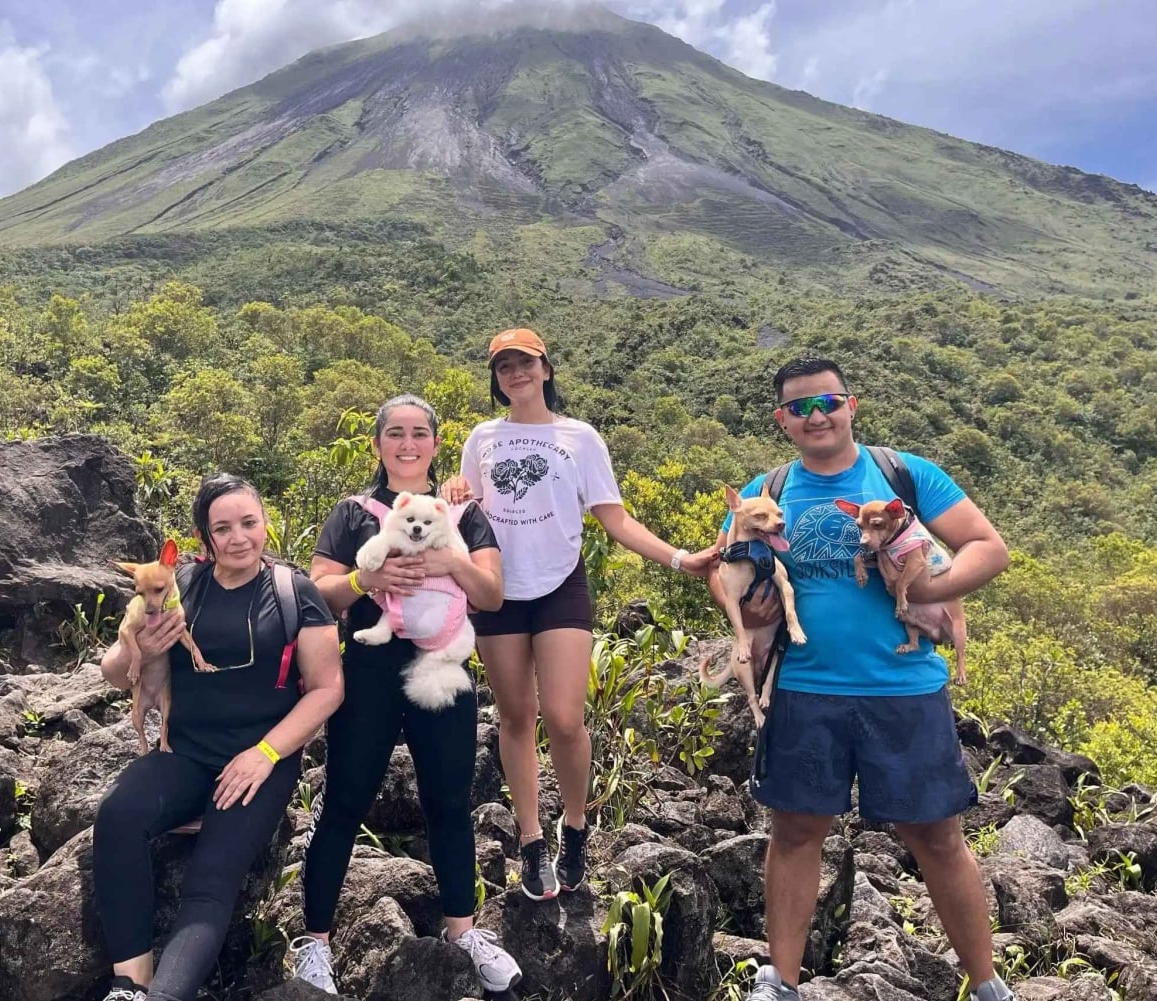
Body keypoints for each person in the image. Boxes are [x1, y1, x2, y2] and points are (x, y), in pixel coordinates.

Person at [710, 357, 1014, 1001]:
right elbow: (724, 564)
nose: (816, 416)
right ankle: (782, 982)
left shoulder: (905, 474)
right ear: (781, 420)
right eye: (800, 407)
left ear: (852, 405)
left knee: (937, 836)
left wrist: (932, 585)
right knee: (794, 833)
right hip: (803, 687)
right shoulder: (769, 485)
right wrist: (745, 606)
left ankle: (987, 985)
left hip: (902, 688)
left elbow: (988, 547)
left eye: (828, 402)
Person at [442, 328, 717, 900]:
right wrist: (452, 494)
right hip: (498, 591)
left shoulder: (580, 437)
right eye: (504, 367)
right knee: (515, 718)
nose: (515, 373)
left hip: (560, 585)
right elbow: (470, 513)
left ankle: (574, 826)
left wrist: (679, 557)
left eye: (525, 363)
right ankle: (531, 839)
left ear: (546, 369)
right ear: (497, 379)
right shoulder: (483, 437)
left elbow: (614, 519)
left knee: (565, 719)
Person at [295, 394, 522, 995]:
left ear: (436, 443)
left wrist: (450, 560)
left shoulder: (465, 517)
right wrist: (366, 578)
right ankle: (314, 942)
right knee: (343, 801)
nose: (407, 443)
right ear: (377, 444)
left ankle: (463, 930)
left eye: (419, 433)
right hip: (369, 666)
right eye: (394, 433)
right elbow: (317, 593)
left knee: (449, 803)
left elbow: (493, 594)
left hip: (443, 665)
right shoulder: (351, 514)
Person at [92, 474, 344, 1001]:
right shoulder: (176, 584)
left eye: (248, 523)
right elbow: (115, 672)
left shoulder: (295, 592)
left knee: (212, 875)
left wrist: (265, 754)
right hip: (185, 752)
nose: (238, 538)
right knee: (118, 816)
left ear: (265, 523)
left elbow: (327, 690)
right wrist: (135, 647)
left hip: (261, 759)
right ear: (205, 539)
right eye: (222, 528)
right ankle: (130, 987)